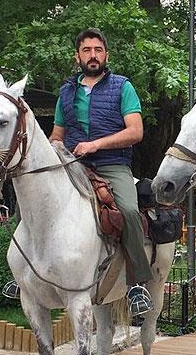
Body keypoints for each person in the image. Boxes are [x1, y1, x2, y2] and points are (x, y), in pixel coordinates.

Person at [50, 27, 152, 314]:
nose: (92, 55)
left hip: (113, 165)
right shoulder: (65, 92)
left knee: (130, 212)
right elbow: (57, 136)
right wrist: (50, 152)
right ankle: (25, 274)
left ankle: (136, 285)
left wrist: (95, 145)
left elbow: (136, 132)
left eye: (98, 50)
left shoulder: (122, 87)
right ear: (77, 56)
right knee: (36, 196)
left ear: (106, 54)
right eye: (86, 50)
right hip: (73, 164)